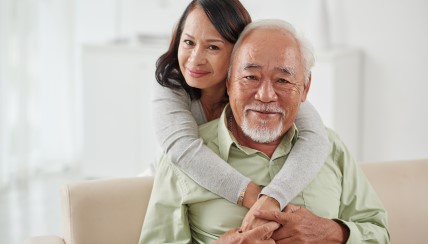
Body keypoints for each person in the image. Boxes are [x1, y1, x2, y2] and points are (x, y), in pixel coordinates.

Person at [139, 19, 389, 243]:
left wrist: (332, 233)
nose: (266, 96)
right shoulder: (180, 161)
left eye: (282, 80)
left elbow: (379, 233)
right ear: (228, 82)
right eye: (250, 77)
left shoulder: (330, 146)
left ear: (305, 88)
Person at [151, 0, 331, 229]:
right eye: (188, 42)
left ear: (239, 52)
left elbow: (316, 138)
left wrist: (274, 197)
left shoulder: (259, 85)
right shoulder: (171, 81)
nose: (195, 59)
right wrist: (260, 200)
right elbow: (182, 149)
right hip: (171, 179)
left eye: (213, 47)